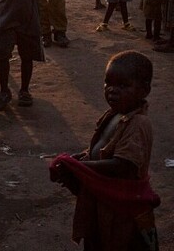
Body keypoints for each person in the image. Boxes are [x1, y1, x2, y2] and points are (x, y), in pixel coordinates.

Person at [50, 51, 159, 250]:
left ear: (144, 90)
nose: (112, 91)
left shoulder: (138, 123)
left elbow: (124, 165)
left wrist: (81, 167)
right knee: (96, 238)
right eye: (108, 83)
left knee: (121, 242)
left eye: (123, 86)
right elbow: (101, 149)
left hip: (123, 208)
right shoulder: (114, 115)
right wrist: (80, 158)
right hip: (101, 201)